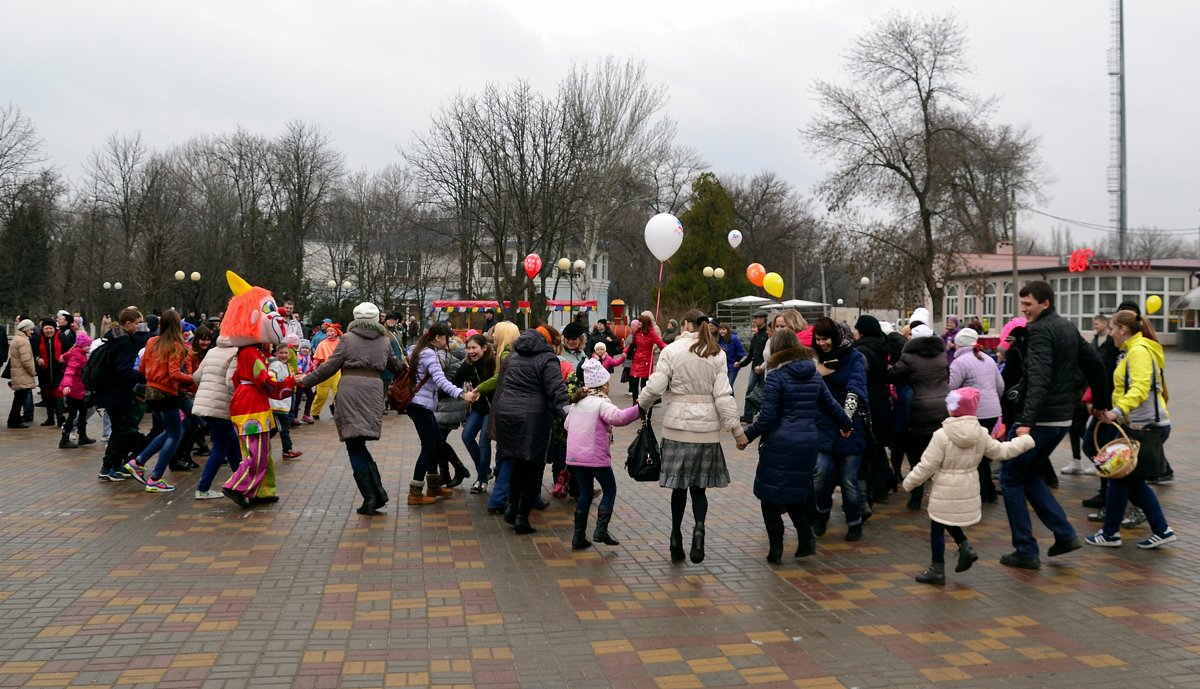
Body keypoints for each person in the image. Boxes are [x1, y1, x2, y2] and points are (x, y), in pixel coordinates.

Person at [999, 280, 1109, 569]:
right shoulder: (1067, 327)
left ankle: (1025, 550)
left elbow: (1039, 378)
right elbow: (1095, 365)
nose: (1024, 310)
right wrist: (1101, 403)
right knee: (1030, 475)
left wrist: (1025, 422)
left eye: (1028, 305)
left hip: (1038, 420)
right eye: (1021, 304)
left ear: (1045, 303)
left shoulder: (1039, 332)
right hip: (1061, 419)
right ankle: (1064, 534)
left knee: (1010, 478)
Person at [638, 311, 747, 564]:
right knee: (699, 489)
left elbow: (655, 387)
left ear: (686, 324)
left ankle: (676, 536)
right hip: (707, 433)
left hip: (677, 428)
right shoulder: (717, 353)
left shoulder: (672, 350)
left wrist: (640, 405)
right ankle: (699, 528)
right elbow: (723, 396)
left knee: (679, 488)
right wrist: (736, 431)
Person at [902, 387, 1035, 584]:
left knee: (938, 525)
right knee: (946, 520)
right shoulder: (980, 433)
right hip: (968, 486)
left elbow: (927, 465)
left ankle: (937, 568)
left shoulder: (942, 435)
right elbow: (1001, 452)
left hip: (945, 487)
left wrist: (909, 482)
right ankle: (964, 547)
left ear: (953, 409)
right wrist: (1024, 441)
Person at [740, 330, 852, 563]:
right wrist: (846, 424)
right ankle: (805, 539)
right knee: (796, 492)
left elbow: (768, 416)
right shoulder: (813, 375)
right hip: (808, 442)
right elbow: (831, 405)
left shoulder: (776, 377)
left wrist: (746, 436)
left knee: (769, 495)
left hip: (781, 443)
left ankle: (776, 549)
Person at [1085, 310, 1177, 549]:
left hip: (1144, 427)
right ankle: (1159, 530)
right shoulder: (1131, 351)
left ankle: (1111, 533)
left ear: (1123, 330)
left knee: (1119, 478)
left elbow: (1139, 389)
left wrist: (1116, 412)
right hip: (1137, 424)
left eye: (1113, 328)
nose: (1111, 333)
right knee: (1128, 480)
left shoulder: (1138, 352)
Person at [302, 303, 405, 514]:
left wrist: (304, 381)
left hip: (350, 391)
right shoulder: (385, 340)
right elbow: (397, 367)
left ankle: (371, 496)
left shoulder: (347, 339)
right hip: (374, 392)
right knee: (359, 443)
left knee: (353, 444)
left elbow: (329, 367)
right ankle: (377, 493)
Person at [219, 271, 294, 508]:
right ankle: (236, 486)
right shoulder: (251, 353)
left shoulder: (249, 352)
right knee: (257, 454)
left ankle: (263, 491)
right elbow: (266, 382)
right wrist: (290, 384)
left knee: (261, 451)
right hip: (252, 405)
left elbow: (235, 378)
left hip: (250, 403)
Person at [490, 325, 570, 534]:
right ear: (547, 342)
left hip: (507, 415)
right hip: (533, 419)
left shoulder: (513, 356)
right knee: (534, 467)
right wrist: (571, 417)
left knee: (517, 464)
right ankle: (521, 518)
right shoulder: (547, 359)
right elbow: (557, 391)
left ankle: (511, 507)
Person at [565, 358, 641, 550]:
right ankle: (601, 530)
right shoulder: (601, 403)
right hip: (596, 456)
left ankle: (578, 536)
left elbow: (567, 425)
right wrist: (640, 409)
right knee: (610, 490)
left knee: (585, 494)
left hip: (576, 457)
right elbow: (619, 418)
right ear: (605, 384)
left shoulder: (577, 402)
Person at [404, 322, 479, 505]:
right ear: (438, 337)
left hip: (421, 405)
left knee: (436, 443)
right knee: (429, 447)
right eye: (447, 338)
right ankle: (415, 492)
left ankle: (434, 486)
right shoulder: (429, 354)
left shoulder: (418, 349)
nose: (448, 342)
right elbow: (440, 380)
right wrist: (462, 394)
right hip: (420, 405)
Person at [810, 317, 870, 541]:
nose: (822, 343)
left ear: (834, 337)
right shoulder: (814, 359)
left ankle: (854, 522)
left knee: (848, 480)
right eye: (818, 339)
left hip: (850, 427)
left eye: (825, 338)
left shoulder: (854, 358)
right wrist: (818, 372)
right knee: (821, 473)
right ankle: (821, 513)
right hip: (823, 426)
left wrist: (846, 419)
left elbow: (856, 387)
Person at [123, 309, 195, 493]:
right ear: (178, 325)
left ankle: (137, 462)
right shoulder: (177, 345)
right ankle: (155, 477)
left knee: (170, 431)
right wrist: (195, 379)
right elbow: (174, 374)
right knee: (175, 434)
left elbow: (141, 368)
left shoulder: (152, 341)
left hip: (151, 392)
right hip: (166, 392)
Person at [887, 324, 949, 511]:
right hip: (941, 409)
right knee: (939, 454)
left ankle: (916, 496)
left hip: (918, 410)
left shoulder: (909, 358)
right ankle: (942, 495)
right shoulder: (941, 356)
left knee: (916, 456)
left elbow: (890, 375)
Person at [947, 327, 1005, 503]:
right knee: (981, 451)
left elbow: (950, 386)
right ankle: (986, 490)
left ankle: (984, 491)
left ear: (959, 344)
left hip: (974, 413)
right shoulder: (988, 359)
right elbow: (1000, 386)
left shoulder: (959, 362)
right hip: (993, 411)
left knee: (974, 454)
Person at [191, 323, 244, 500]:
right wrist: (236, 400)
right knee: (220, 449)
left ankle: (241, 482)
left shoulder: (212, 351)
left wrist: (207, 390)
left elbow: (196, 377)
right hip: (222, 406)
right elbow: (231, 383)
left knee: (232, 444)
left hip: (206, 405)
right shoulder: (235, 353)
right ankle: (203, 488)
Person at [92, 309, 145, 482]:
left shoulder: (116, 337)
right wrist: (142, 376)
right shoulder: (123, 341)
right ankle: (107, 467)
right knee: (120, 430)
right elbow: (122, 369)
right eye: (137, 323)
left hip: (113, 391)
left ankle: (115, 465)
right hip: (117, 392)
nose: (139, 326)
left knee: (121, 429)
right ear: (127, 323)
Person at [479, 323, 523, 513]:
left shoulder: (505, 354)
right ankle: (502, 496)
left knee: (504, 454)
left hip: (503, 409)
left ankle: (500, 495)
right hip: (511, 411)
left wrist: (478, 389)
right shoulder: (508, 354)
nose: (492, 336)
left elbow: (499, 381)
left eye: (495, 332)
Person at [852, 315, 895, 503]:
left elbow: (860, 378)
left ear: (862, 331)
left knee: (869, 448)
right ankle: (887, 481)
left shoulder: (862, 351)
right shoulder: (881, 347)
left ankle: (878, 489)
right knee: (876, 447)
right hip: (881, 401)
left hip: (868, 403)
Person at [454, 334, 495, 494]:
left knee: (484, 441)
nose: (471, 351)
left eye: (474, 348)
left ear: (484, 348)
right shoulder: (468, 364)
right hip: (478, 407)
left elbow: (499, 381)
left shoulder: (493, 362)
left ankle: (482, 480)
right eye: (468, 348)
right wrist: (462, 392)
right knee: (467, 436)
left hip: (492, 407)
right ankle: (486, 471)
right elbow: (455, 380)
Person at [56, 330, 95, 448]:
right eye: (87, 345)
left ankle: (82, 436)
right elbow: (70, 371)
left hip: (77, 388)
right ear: (81, 345)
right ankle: (64, 438)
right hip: (73, 389)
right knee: (73, 414)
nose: (89, 347)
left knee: (83, 411)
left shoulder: (78, 353)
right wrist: (67, 386)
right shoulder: (77, 356)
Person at [32, 319, 68, 427]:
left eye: (50, 328)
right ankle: (50, 418)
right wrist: (38, 359)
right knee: (47, 396)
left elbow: (69, 351)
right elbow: (33, 353)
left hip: (59, 372)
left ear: (54, 329)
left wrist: (64, 357)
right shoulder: (38, 339)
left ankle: (60, 416)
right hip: (44, 373)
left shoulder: (62, 338)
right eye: (46, 328)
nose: (48, 331)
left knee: (58, 395)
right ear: (42, 329)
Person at [269, 343, 302, 460]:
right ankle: (287, 450)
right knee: (283, 427)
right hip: (277, 404)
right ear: (276, 353)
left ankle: (261, 443)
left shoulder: (286, 365)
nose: (283, 355)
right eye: (281, 353)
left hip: (284, 403)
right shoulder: (276, 365)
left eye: (286, 353)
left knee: (276, 428)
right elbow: (271, 376)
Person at [6, 319, 38, 429]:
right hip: (23, 374)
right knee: (20, 399)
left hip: (18, 373)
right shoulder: (23, 341)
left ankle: (13, 419)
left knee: (18, 398)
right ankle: (14, 420)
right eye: (30, 329)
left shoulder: (17, 339)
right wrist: (32, 371)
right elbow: (26, 360)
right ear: (25, 329)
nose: (32, 332)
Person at [628, 312, 668, 399]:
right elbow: (632, 344)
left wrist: (669, 349)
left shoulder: (652, 332)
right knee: (634, 384)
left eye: (640, 322)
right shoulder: (637, 333)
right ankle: (635, 404)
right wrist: (624, 351)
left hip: (646, 362)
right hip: (636, 361)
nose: (638, 323)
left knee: (644, 385)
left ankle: (643, 403)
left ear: (645, 323)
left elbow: (659, 342)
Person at [739, 311, 770, 423]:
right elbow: (751, 354)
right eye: (755, 318)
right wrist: (741, 364)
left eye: (757, 318)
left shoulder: (768, 334)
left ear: (763, 319)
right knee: (750, 391)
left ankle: (762, 414)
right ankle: (748, 415)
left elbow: (768, 353)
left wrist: (761, 367)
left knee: (763, 393)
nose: (755, 320)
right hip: (754, 368)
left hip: (764, 368)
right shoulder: (756, 336)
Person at [310, 323, 342, 420]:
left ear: (336, 333)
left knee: (339, 392)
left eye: (331, 331)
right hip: (325, 369)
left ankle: (337, 409)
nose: (329, 332)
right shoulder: (322, 344)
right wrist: (313, 367)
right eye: (328, 331)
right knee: (322, 394)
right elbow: (316, 359)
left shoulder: (341, 343)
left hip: (337, 369)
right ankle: (315, 411)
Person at [716, 322, 746, 388]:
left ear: (728, 330)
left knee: (729, 385)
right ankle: (731, 398)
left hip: (732, 365)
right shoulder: (719, 340)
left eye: (724, 329)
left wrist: (737, 360)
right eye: (720, 329)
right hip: (722, 366)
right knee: (724, 387)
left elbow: (742, 351)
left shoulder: (734, 339)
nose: (721, 331)